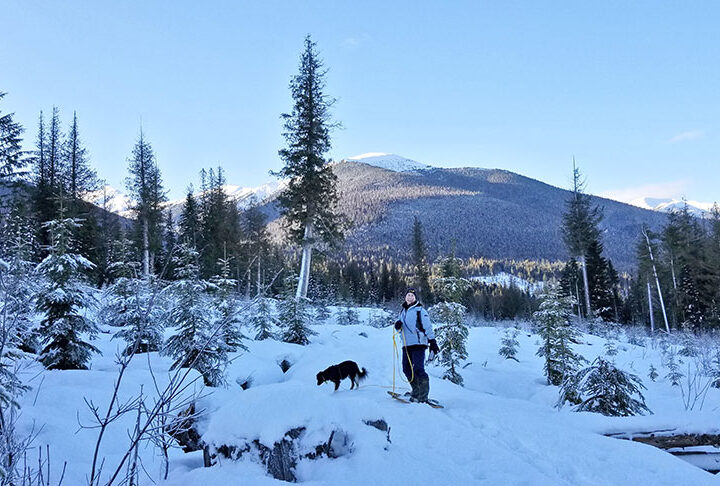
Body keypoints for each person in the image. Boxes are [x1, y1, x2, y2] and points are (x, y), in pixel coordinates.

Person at [394, 288, 440, 402]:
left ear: (415, 298)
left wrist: (432, 341)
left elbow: (428, 327)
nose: (410, 297)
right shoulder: (402, 311)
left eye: (412, 296)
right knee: (406, 369)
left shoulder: (420, 311)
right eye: (408, 295)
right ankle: (416, 390)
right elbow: (400, 327)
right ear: (405, 297)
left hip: (419, 344)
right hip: (406, 345)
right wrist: (397, 326)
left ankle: (423, 396)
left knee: (419, 369)